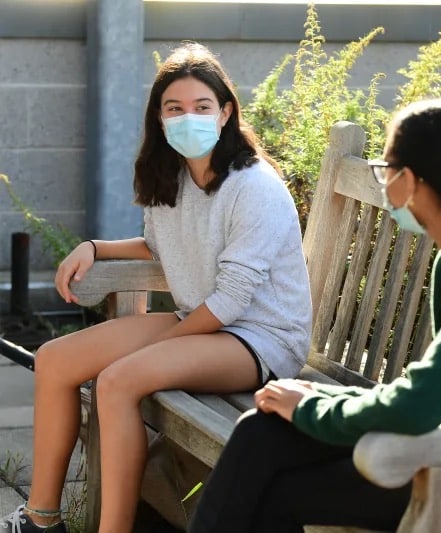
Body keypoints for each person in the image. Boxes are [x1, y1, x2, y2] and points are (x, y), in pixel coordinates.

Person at [186, 96, 441, 533]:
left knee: (282, 486)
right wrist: (317, 399)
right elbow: (432, 391)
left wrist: (312, 408)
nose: (384, 183)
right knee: (263, 431)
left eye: (386, 169)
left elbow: (420, 406)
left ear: (412, 181)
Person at [0, 42, 312, 533]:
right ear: (160, 119)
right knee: (56, 361)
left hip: (260, 339)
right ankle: (42, 519)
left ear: (226, 112)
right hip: (203, 323)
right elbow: (158, 248)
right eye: (175, 109)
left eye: (202, 107)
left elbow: (232, 300)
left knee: (118, 380)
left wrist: (158, 346)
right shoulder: (173, 177)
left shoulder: (254, 187)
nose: (189, 118)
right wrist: (96, 247)